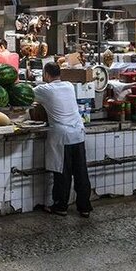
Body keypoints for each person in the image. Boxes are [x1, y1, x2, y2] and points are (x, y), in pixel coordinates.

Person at [32, 63, 92, 217]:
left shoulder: (44, 90)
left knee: (63, 173)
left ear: (46, 74)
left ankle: (61, 206)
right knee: (80, 172)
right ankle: (84, 207)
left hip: (63, 136)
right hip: (78, 133)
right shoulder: (69, 86)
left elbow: (27, 94)